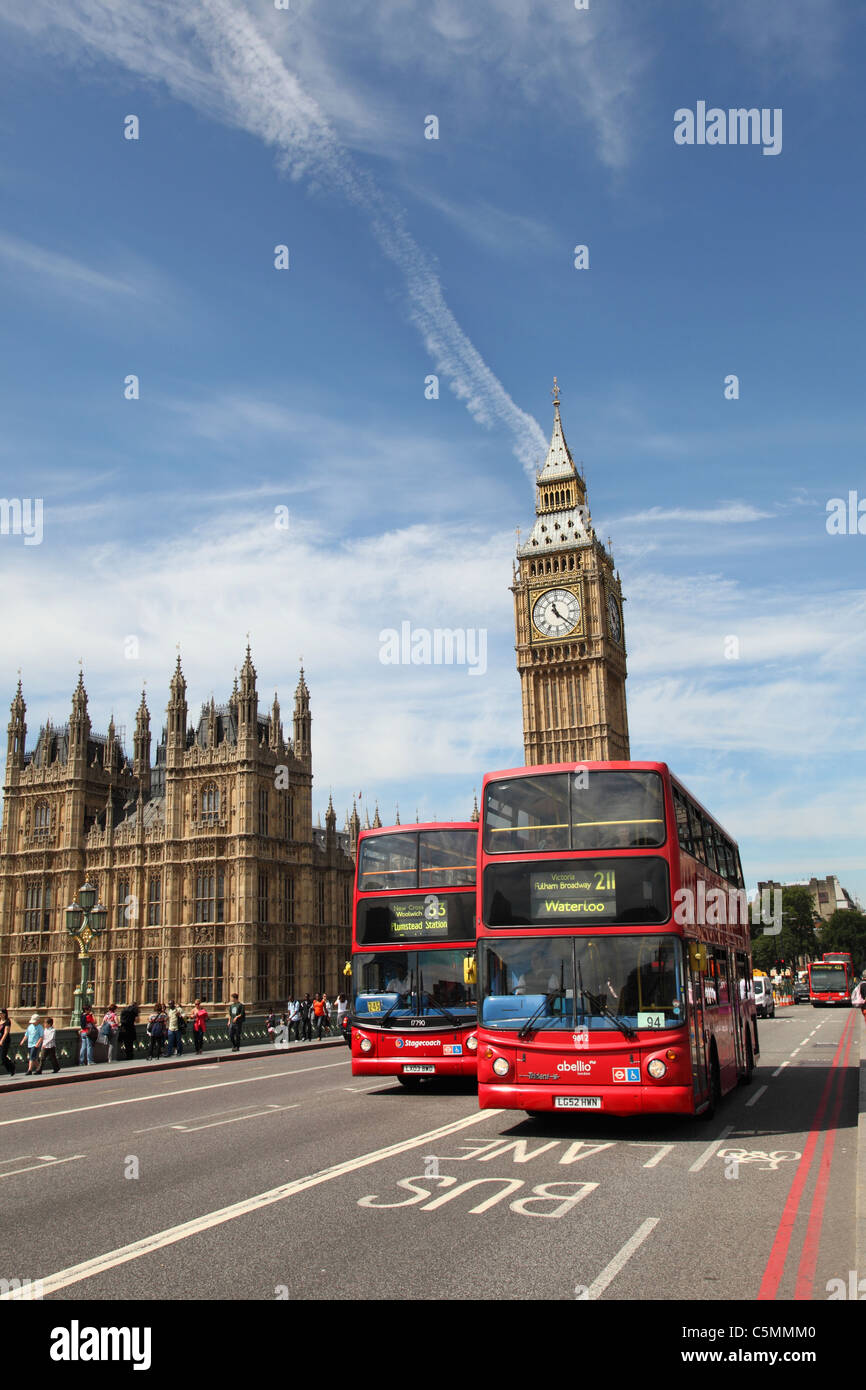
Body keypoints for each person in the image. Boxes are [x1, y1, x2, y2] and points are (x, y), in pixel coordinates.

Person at [0, 1009, 15, 1076]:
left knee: (3, 1056)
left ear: (4, 1014)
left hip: (5, 1041)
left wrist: (1, 1041)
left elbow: (6, 1032)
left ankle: (11, 1067)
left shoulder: (7, 1021)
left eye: (1, 1013)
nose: (0, 1014)